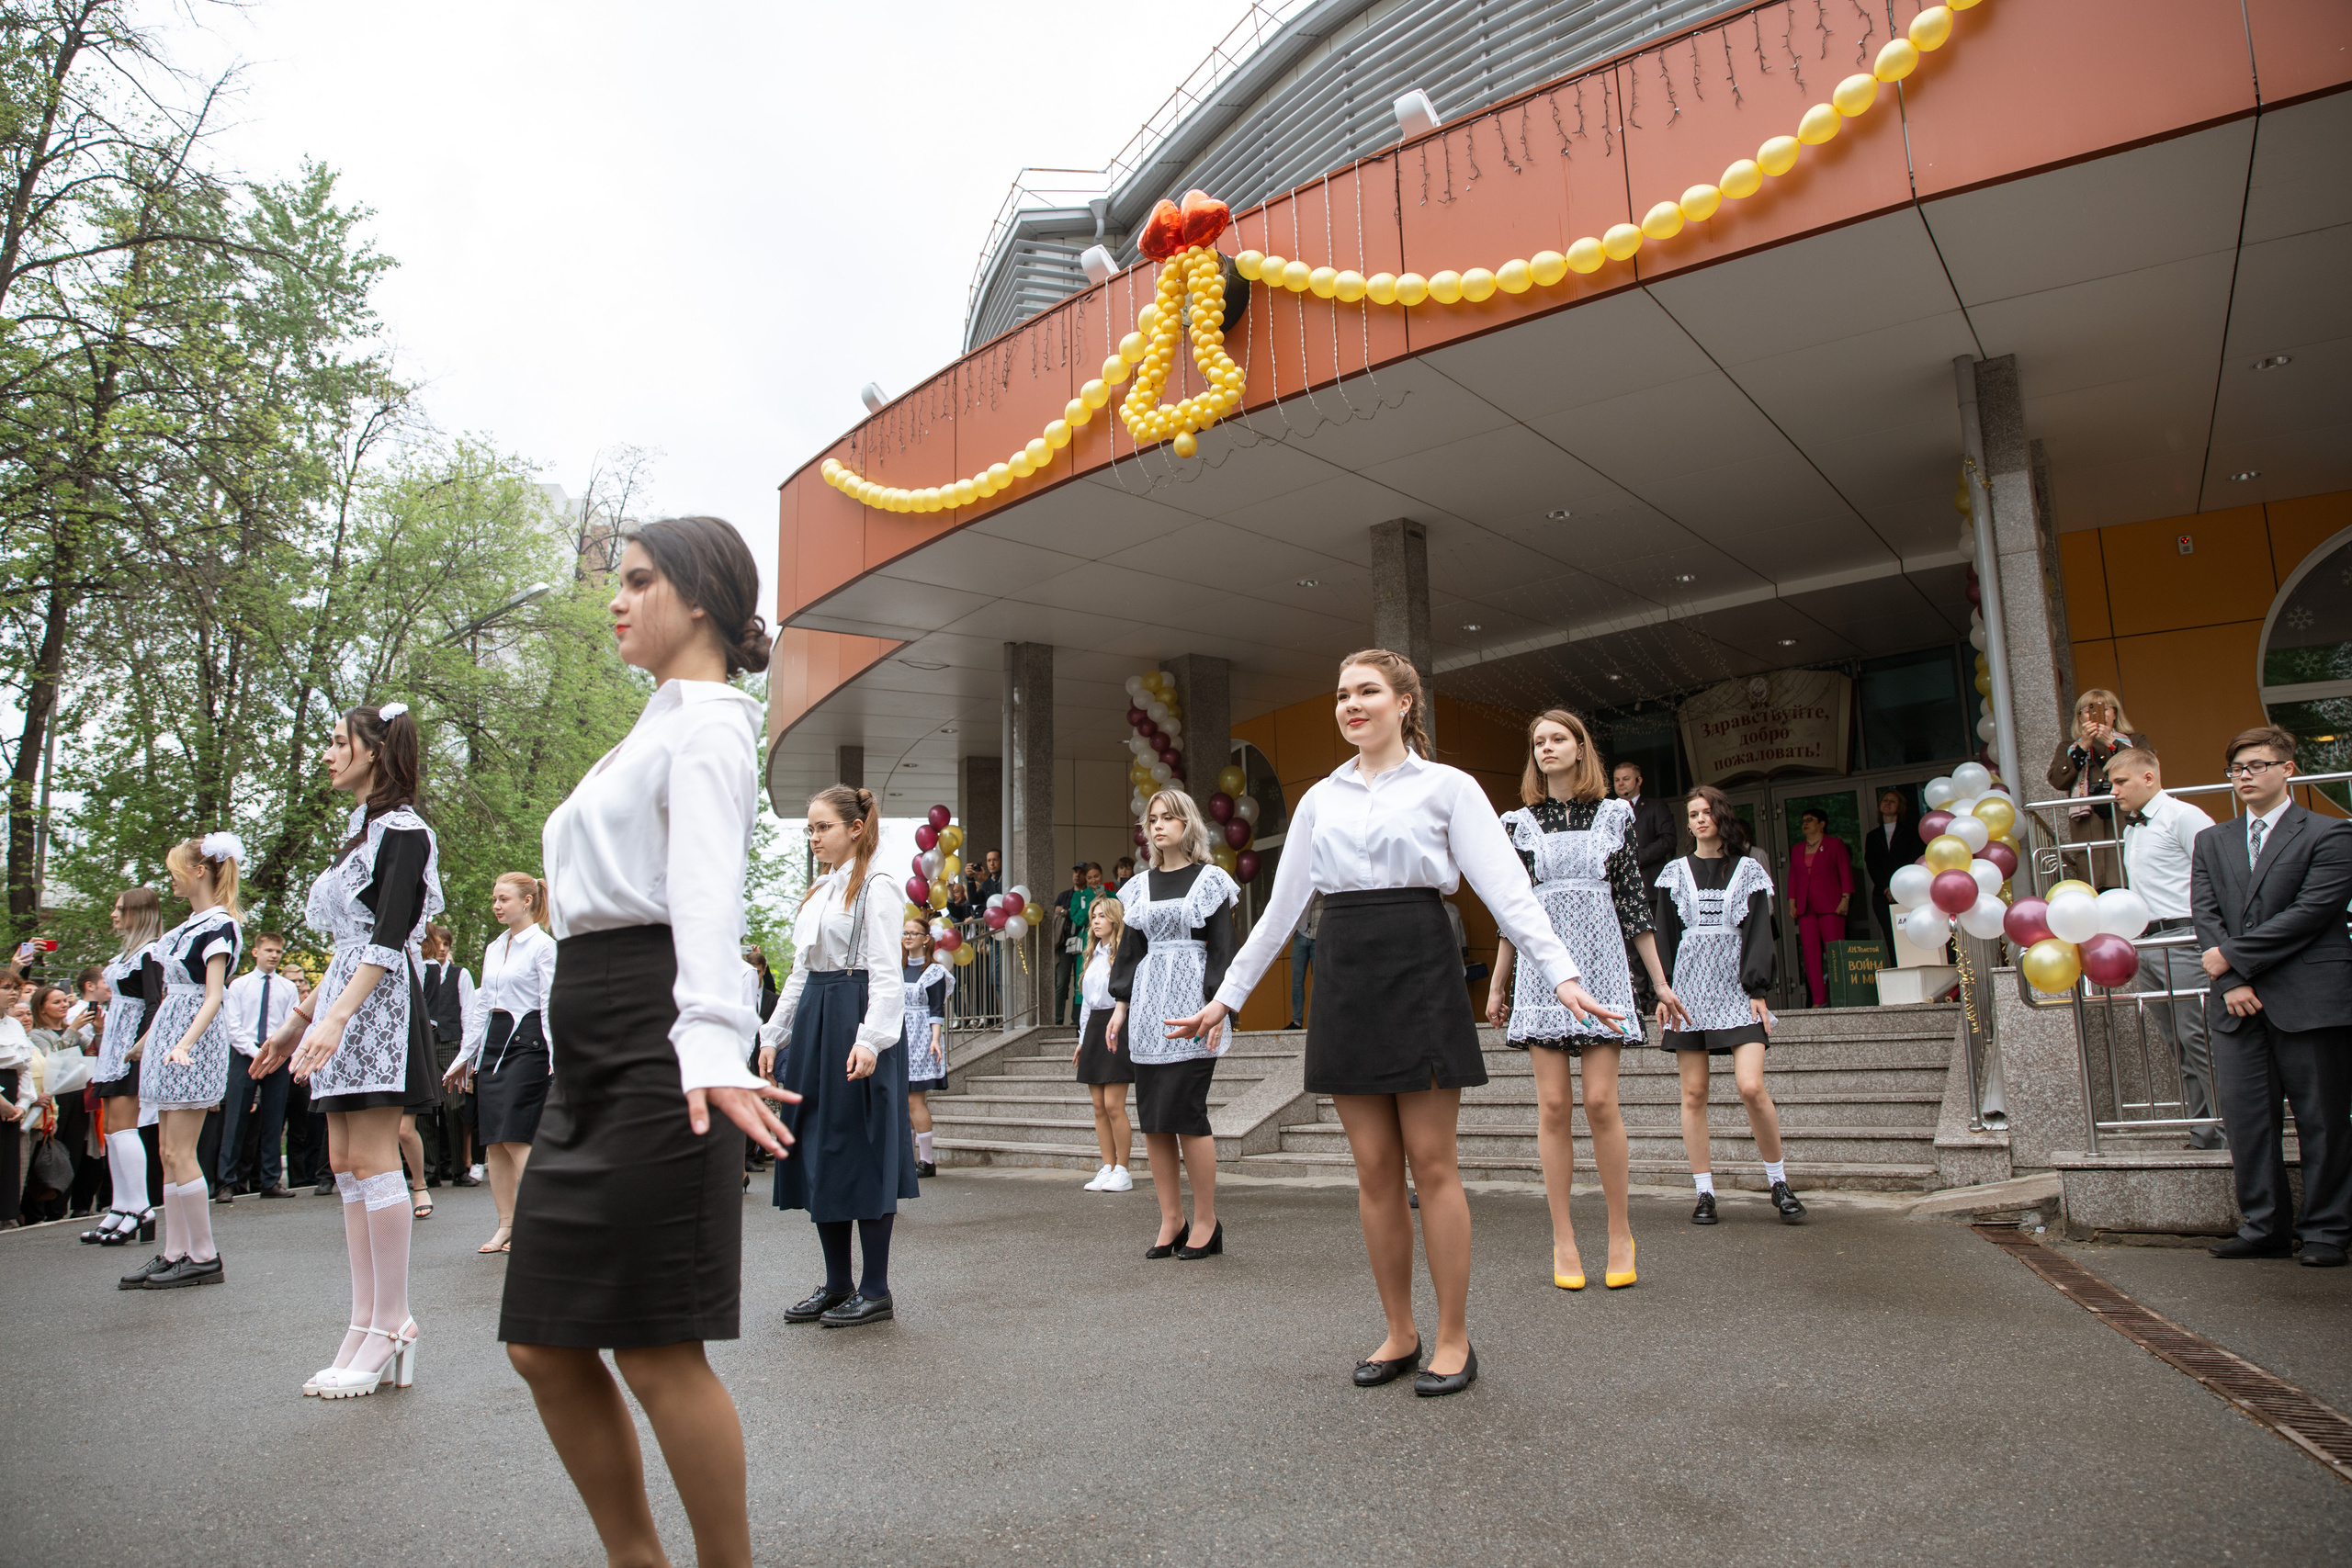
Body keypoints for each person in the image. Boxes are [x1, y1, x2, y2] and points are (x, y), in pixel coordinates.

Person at [1166, 650, 1617, 1398]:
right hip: (1345, 966)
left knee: (1432, 1162)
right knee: (1374, 1168)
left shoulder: (1450, 787)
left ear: (1405, 703)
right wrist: (1229, 996)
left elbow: (1508, 890)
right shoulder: (1319, 799)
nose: (1350, 704)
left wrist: (1563, 974)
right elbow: (1280, 912)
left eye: (1367, 691)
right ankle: (1399, 1329)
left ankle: (1452, 1336)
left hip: (1419, 958)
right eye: (1342, 693)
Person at [501, 516, 792, 1568]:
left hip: (655, 1036)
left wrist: (713, 1042)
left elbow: (707, 892)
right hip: (587, 1038)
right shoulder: (651, 726)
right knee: (542, 1340)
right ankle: (637, 1559)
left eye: (636, 582)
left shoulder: (712, 721)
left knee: (657, 1345)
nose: (616, 601)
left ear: (700, 597)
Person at [249, 702, 443, 1395]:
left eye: (340, 742)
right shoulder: (357, 831)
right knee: (342, 1159)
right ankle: (364, 1320)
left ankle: (392, 1322)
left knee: (371, 1154)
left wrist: (336, 1018)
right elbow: (344, 944)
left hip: (379, 1005)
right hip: (341, 1000)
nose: (329, 753)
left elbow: (388, 939)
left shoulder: (404, 831)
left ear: (376, 752)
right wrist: (299, 1020)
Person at [1489, 710, 1688, 1292]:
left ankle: (1620, 1231)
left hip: (1603, 966)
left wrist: (1661, 983)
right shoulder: (1518, 823)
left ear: (1580, 749)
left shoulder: (1615, 816)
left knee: (1601, 1103)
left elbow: (1633, 906)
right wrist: (1499, 984)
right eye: (1539, 742)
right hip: (1541, 973)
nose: (1547, 748)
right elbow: (1513, 913)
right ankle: (1563, 1237)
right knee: (1553, 1107)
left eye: (1558, 739)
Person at [2190, 725, 2352, 1267]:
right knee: (2248, 1121)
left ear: (2288, 769)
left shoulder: (2330, 834)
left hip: (2310, 998)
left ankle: (2329, 1229)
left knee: (2322, 1119)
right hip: (2237, 1004)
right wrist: (2231, 980)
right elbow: (2206, 914)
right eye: (2237, 768)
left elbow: (2311, 914)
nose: (2244, 776)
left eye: (2257, 765)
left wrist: (2233, 958)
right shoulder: (2212, 840)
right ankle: (2263, 1227)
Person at [760, 784, 909, 1329]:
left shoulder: (879, 887)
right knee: (819, 1146)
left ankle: (875, 1288)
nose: (815, 837)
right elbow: (800, 970)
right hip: (817, 1018)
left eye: (823, 827)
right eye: (810, 828)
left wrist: (870, 1040)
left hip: (856, 1013)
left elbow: (888, 977)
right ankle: (838, 1283)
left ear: (856, 828)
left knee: (862, 1146)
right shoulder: (820, 890)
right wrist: (773, 1034)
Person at [1657, 787, 1805, 1225]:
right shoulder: (1673, 872)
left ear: (1721, 816)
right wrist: (1661, 992)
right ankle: (1704, 1192)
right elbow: (1664, 935)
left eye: (1707, 812)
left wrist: (1757, 990)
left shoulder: (1749, 870)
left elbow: (1761, 931)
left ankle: (1779, 1182)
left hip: (1738, 992)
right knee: (1694, 1093)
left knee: (1750, 1086)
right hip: (1687, 993)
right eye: (1693, 814)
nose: (1700, 820)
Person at [1108, 790, 1239, 1259]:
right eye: (1152, 819)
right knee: (1155, 1120)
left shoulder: (1211, 880)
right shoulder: (1138, 887)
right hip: (1147, 1009)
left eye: (1168, 818)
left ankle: (1206, 1219)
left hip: (1195, 1007)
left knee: (1187, 1113)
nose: (1158, 826)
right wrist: (1120, 1007)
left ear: (1188, 824)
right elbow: (1130, 951)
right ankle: (1172, 1218)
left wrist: (1220, 1006)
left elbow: (1224, 947)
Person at [119, 835, 243, 1291]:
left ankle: (205, 1256)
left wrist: (185, 1043)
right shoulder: (187, 927)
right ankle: (175, 1252)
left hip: (192, 1043)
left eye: (175, 867)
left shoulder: (220, 926)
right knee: (168, 1153)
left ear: (199, 871)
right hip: (171, 1039)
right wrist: (146, 1042)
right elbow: (173, 996)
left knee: (180, 1151)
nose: (169, 875)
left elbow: (212, 997)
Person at [2106, 748, 2223, 1151]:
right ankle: (2204, 1131)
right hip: (2147, 943)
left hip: (2184, 939)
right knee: (2178, 1042)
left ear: (2149, 778)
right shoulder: (2133, 827)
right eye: (2112, 783)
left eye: (2121, 782)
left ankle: (2232, 1131)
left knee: (2201, 1039)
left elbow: (2218, 873)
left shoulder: (2183, 816)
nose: (2113, 791)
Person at [446, 873, 556, 1255]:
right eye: (494, 898)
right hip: (493, 1045)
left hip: (529, 1046)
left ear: (527, 901)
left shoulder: (544, 946)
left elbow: (550, 1006)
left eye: (503, 898)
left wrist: (557, 1059)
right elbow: (480, 1006)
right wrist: (465, 1057)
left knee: (516, 1135)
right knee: (493, 1141)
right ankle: (506, 1226)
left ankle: (541, 1223)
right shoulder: (494, 947)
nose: (496, 905)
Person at [84, 889, 163, 1244]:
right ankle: (120, 1206)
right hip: (113, 1047)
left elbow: (154, 1002)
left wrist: (140, 1046)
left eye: (120, 909)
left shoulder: (150, 953)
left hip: (131, 1049)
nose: (114, 915)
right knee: (113, 1130)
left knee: (126, 1129)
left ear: (138, 912)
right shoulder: (125, 954)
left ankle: (141, 1209)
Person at [217, 934, 300, 1201]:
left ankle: (270, 1180)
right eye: (268, 950)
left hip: (277, 1054)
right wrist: (257, 1054)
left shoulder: (288, 988)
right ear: (255, 952)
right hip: (247, 1053)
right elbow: (234, 1027)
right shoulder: (239, 985)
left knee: (274, 1120)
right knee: (236, 1119)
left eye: (278, 951)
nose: (273, 955)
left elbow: (293, 1023)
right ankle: (227, 1183)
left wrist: (278, 1053)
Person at [2049, 687, 2149, 887]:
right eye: (2088, 709)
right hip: (2089, 825)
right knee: (2095, 881)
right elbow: (2057, 780)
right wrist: (2083, 746)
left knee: (2131, 874)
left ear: (2115, 713)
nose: (2096, 714)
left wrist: (2112, 744)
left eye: (2103, 708)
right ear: (2080, 718)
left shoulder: (2135, 740)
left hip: (2126, 817)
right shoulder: (2068, 747)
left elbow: (2146, 767)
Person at [1070, 895, 1134, 1192]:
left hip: (1117, 1023)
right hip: (1095, 1026)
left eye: (1100, 916)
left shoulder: (1122, 954)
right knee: (1097, 1106)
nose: (1094, 921)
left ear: (1114, 919)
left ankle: (1123, 1168)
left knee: (1113, 1105)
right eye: (1093, 916)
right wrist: (1082, 1040)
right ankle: (1107, 1166)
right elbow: (1085, 1005)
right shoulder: (1092, 955)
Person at [418, 927, 478, 1187]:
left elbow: (469, 1015)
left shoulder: (460, 974)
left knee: (454, 1107)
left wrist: (467, 1055)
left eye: (446, 944)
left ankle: (457, 1170)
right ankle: (430, 1170)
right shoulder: (419, 972)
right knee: (426, 1109)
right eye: (437, 943)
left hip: (452, 1043)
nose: (442, 948)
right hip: (424, 1043)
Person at [899, 916, 953, 1178]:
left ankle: (927, 1161)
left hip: (921, 1037)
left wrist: (935, 1039)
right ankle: (908, 1160)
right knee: (903, 1102)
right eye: (905, 932)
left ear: (926, 938)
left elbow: (936, 1010)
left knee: (914, 1099)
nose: (907, 937)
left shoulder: (934, 972)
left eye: (913, 933)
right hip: (899, 1037)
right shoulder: (897, 968)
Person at [1786, 807, 1852, 1008]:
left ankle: (1840, 997)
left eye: (1810, 820)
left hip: (1831, 905)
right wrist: (1792, 902)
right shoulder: (1797, 849)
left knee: (1834, 952)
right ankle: (1818, 1000)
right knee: (1810, 954)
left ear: (1822, 824)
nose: (1805, 823)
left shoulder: (1835, 844)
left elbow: (1845, 872)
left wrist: (1845, 898)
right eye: (1803, 821)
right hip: (1806, 907)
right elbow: (1793, 877)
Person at [1861, 788, 1914, 947]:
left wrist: (1897, 887)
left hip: (1907, 893)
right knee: (1891, 938)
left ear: (1900, 807)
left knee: (1909, 936)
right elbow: (1872, 864)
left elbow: (1911, 861)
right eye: (1885, 801)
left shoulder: (1909, 832)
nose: (1888, 804)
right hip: (1883, 895)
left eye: (1892, 801)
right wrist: (1887, 887)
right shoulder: (1872, 836)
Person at [1051, 863, 1092, 1027]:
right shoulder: (1064, 895)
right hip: (1065, 943)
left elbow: (1081, 915)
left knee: (1080, 982)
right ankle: (1057, 1020)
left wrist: (1065, 912)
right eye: (1075, 872)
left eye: (1081, 873)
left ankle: (1077, 1020)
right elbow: (1055, 911)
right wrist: (1066, 912)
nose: (1077, 876)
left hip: (1084, 943)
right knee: (1061, 982)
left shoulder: (1090, 894)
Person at [1287, 892, 1322, 1029]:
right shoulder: (1299, 884)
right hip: (1300, 935)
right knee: (1296, 982)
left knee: (1319, 982)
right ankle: (1296, 1021)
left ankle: (1318, 1020)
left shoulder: (1321, 880)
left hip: (1317, 934)